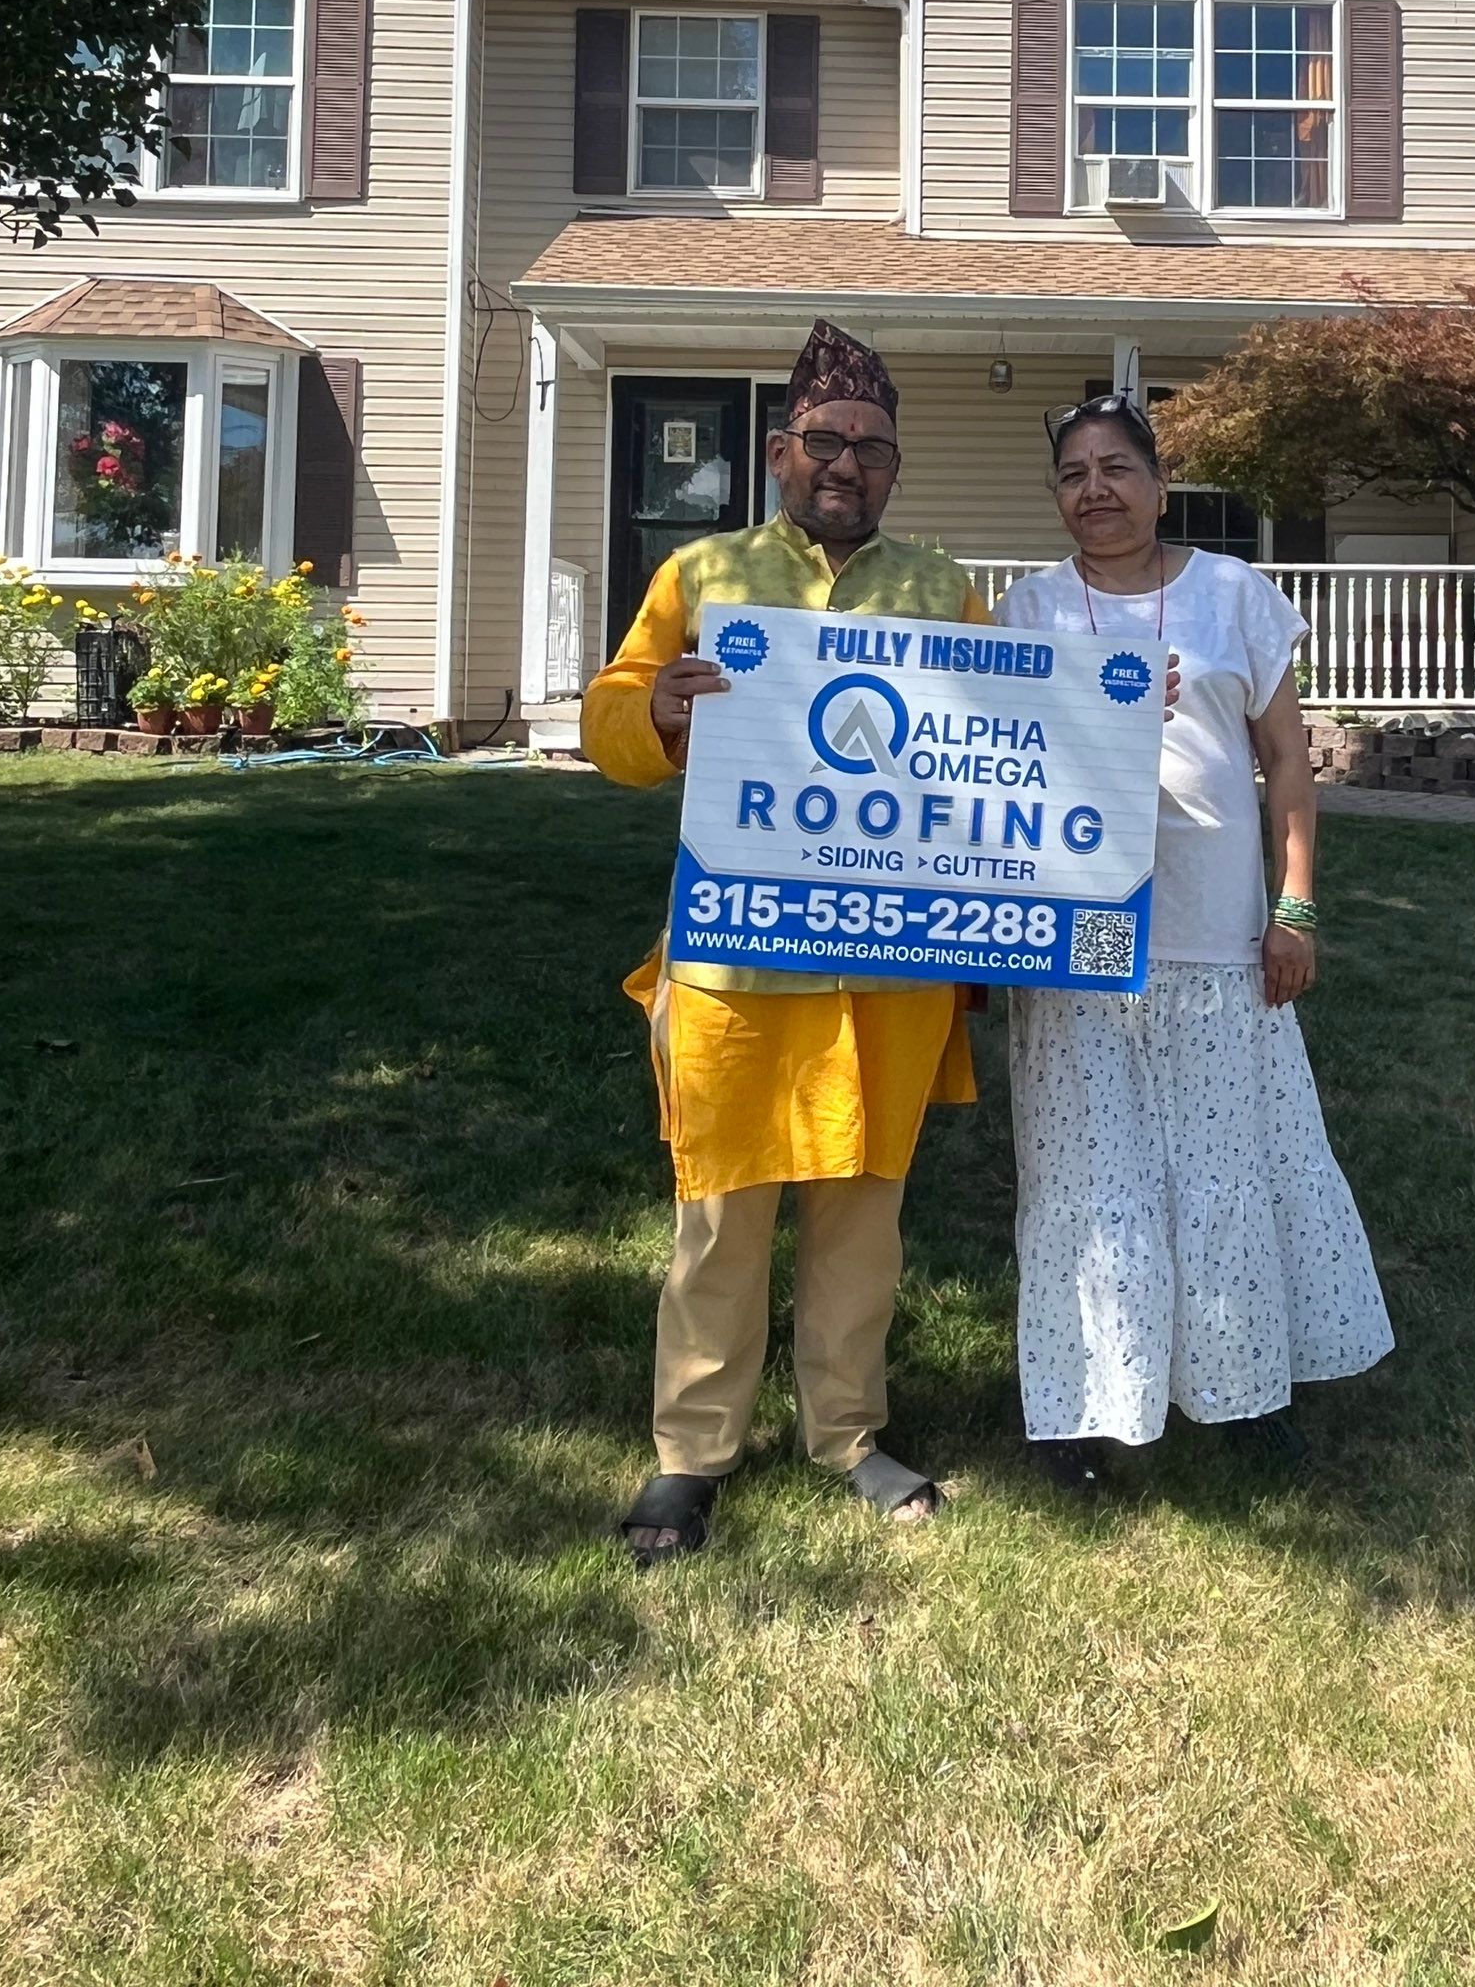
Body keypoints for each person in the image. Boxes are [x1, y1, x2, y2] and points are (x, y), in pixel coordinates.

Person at [582, 320, 989, 1562]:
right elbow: (611, 716)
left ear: (894, 466)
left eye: (871, 447)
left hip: (892, 965)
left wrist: (1123, 715)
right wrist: (648, 707)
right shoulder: (704, 576)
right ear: (779, 450)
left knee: (863, 1219)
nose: (847, 463)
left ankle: (850, 1437)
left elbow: (1010, 751)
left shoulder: (943, 588)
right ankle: (690, 1455)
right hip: (737, 960)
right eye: (826, 440)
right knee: (722, 1212)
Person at [993, 392, 1391, 1489]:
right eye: (1073, 474)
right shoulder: (1028, 610)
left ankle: (1241, 1387)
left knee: (1225, 1170)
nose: (1096, 491)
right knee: (1086, 1172)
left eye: (1117, 467)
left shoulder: (1233, 597)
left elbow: (1289, 763)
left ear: (1162, 484)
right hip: (1074, 941)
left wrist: (1296, 905)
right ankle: (1087, 1404)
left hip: (1215, 933)